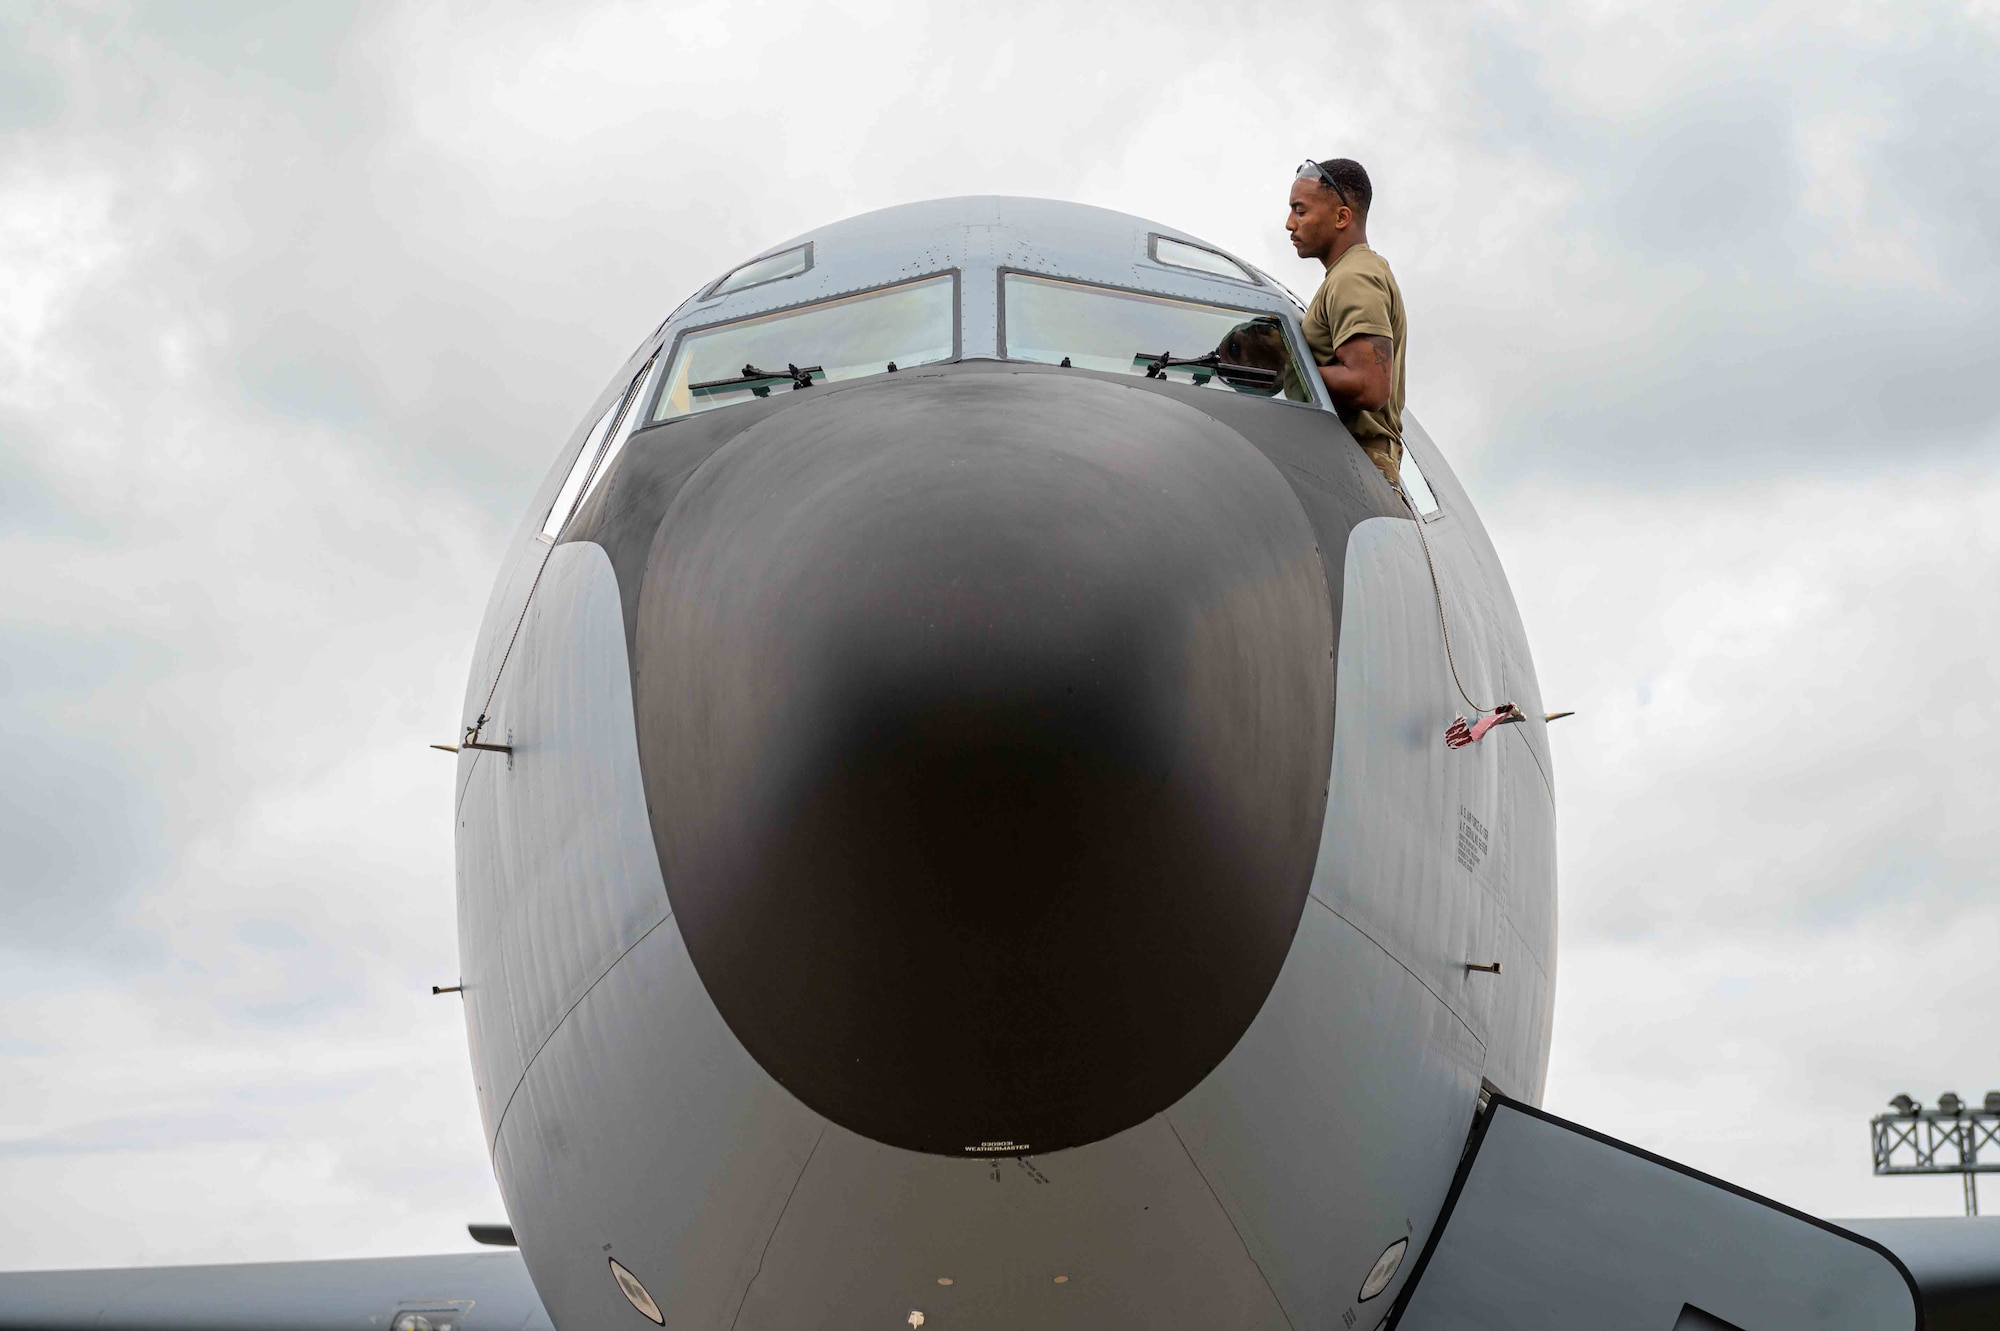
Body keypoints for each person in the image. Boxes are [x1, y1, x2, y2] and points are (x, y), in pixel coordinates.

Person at [1287, 157, 1406, 488]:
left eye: (1300, 211)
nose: (1289, 224)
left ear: (1341, 217)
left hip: (1356, 465)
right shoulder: (1351, 273)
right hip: (1351, 462)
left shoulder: (1354, 278)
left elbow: (1370, 384)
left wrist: (1290, 369)